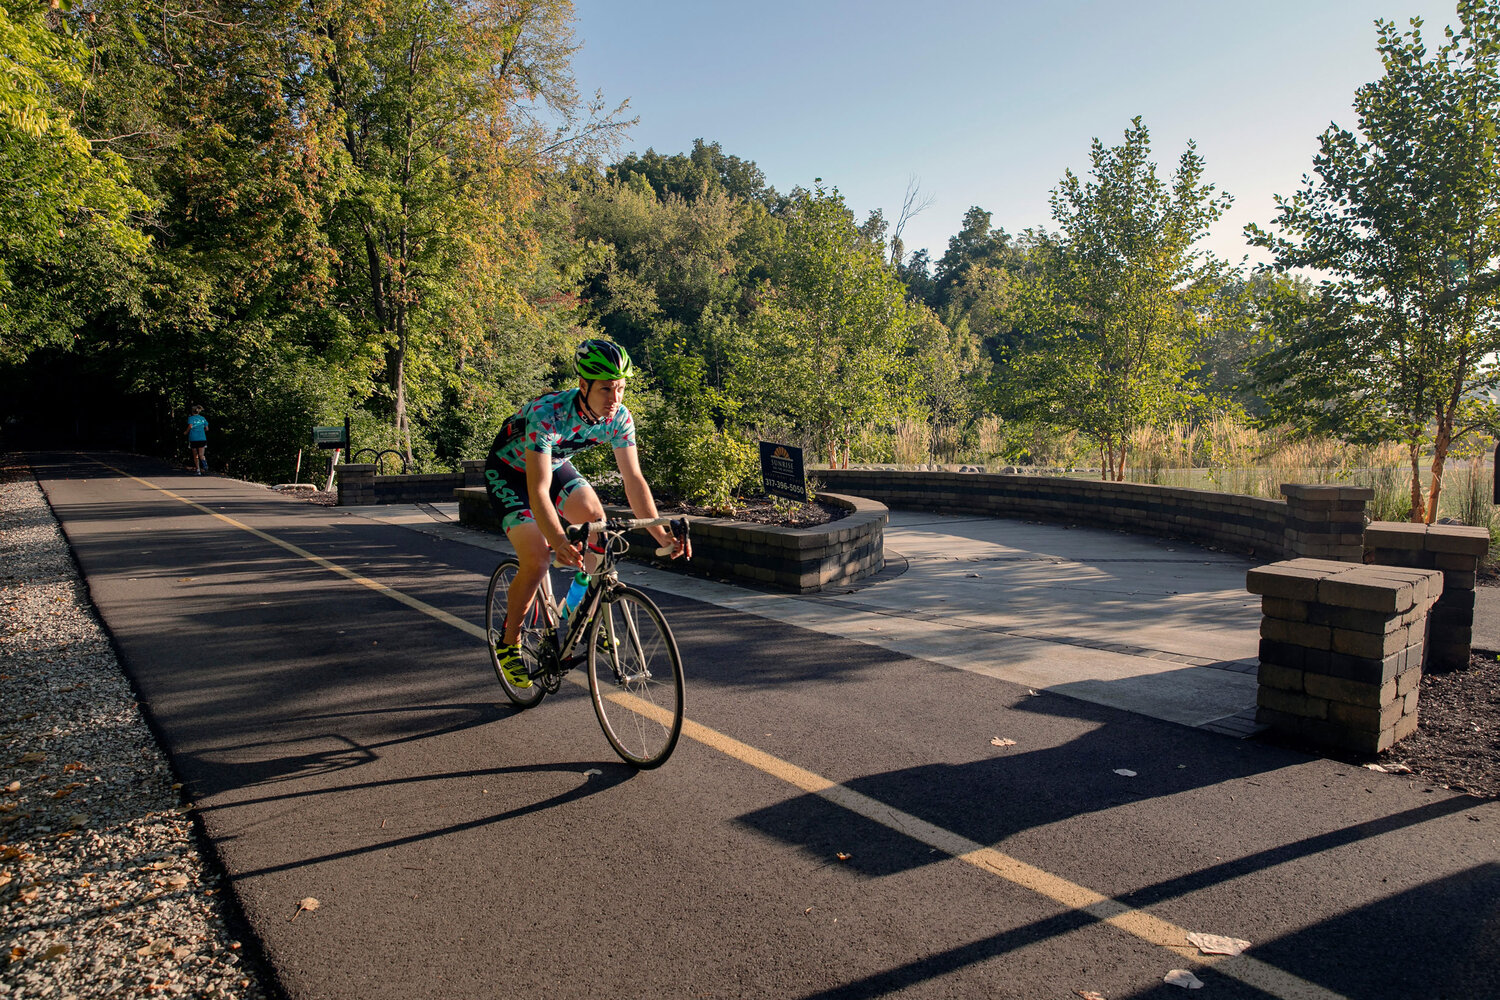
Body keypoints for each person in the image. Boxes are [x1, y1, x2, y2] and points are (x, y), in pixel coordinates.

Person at [485, 339, 690, 688]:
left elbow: (633, 478)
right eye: (606, 389)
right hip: (510, 474)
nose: (615, 399)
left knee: (598, 522)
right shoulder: (546, 414)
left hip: (553, 466)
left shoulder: (620, 419)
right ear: (583, 386)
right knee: (537, 558)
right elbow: (537, 491)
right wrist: (559, 539)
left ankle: (584, 609)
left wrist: (660, 534)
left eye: (621, 389)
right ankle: (509, 642)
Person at [185, 405, 208, 474]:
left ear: (192, 412)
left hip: (193, 438)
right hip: (202, 438)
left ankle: (198, 470)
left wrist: (186, 432)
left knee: (195, 455)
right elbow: (207, 428)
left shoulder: (191, 418)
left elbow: (190, 426)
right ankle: (204, 464)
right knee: (201, 455)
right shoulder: (203, 418)